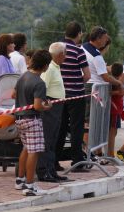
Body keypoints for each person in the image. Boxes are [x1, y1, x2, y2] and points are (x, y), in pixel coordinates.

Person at [14, 49, 52, 196]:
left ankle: (20, 180)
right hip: (32, 119)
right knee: (33, 151)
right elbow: (37, 106)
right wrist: (47, 106)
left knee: (25, 148)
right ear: (45, 66)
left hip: (19, 118)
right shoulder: (39, 83)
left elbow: (14, 94)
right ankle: (30, 185)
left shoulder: (23, 77)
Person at [55, 21, 90, 172]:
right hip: (76, 95)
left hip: (58, 94)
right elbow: (87, 75)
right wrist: (76, 82)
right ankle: (77, 160)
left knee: (60, 127)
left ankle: (54, 159)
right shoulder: (78, 51)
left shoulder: (55, 49)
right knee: (76, 128)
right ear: (79, 34)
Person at [36, 42, 68, 182]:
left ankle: (51, 169)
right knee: (47, 139)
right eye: (65, 54)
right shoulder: (49, 69)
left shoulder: (55, 67)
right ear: (60, 54)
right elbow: (42, 87)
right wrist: (45, 104)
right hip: (50, 107)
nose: (65, 57)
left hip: (56, 106)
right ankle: (44, 171)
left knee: (53, 139)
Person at [102, 63, 124, 163]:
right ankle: (110, 155)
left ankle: (108, 154)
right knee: (112, 133)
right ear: (121, 73)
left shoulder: (112, 81)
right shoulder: (116, 82)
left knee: (113, 133)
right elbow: (121, 92)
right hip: (114, 111)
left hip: (114, 110)